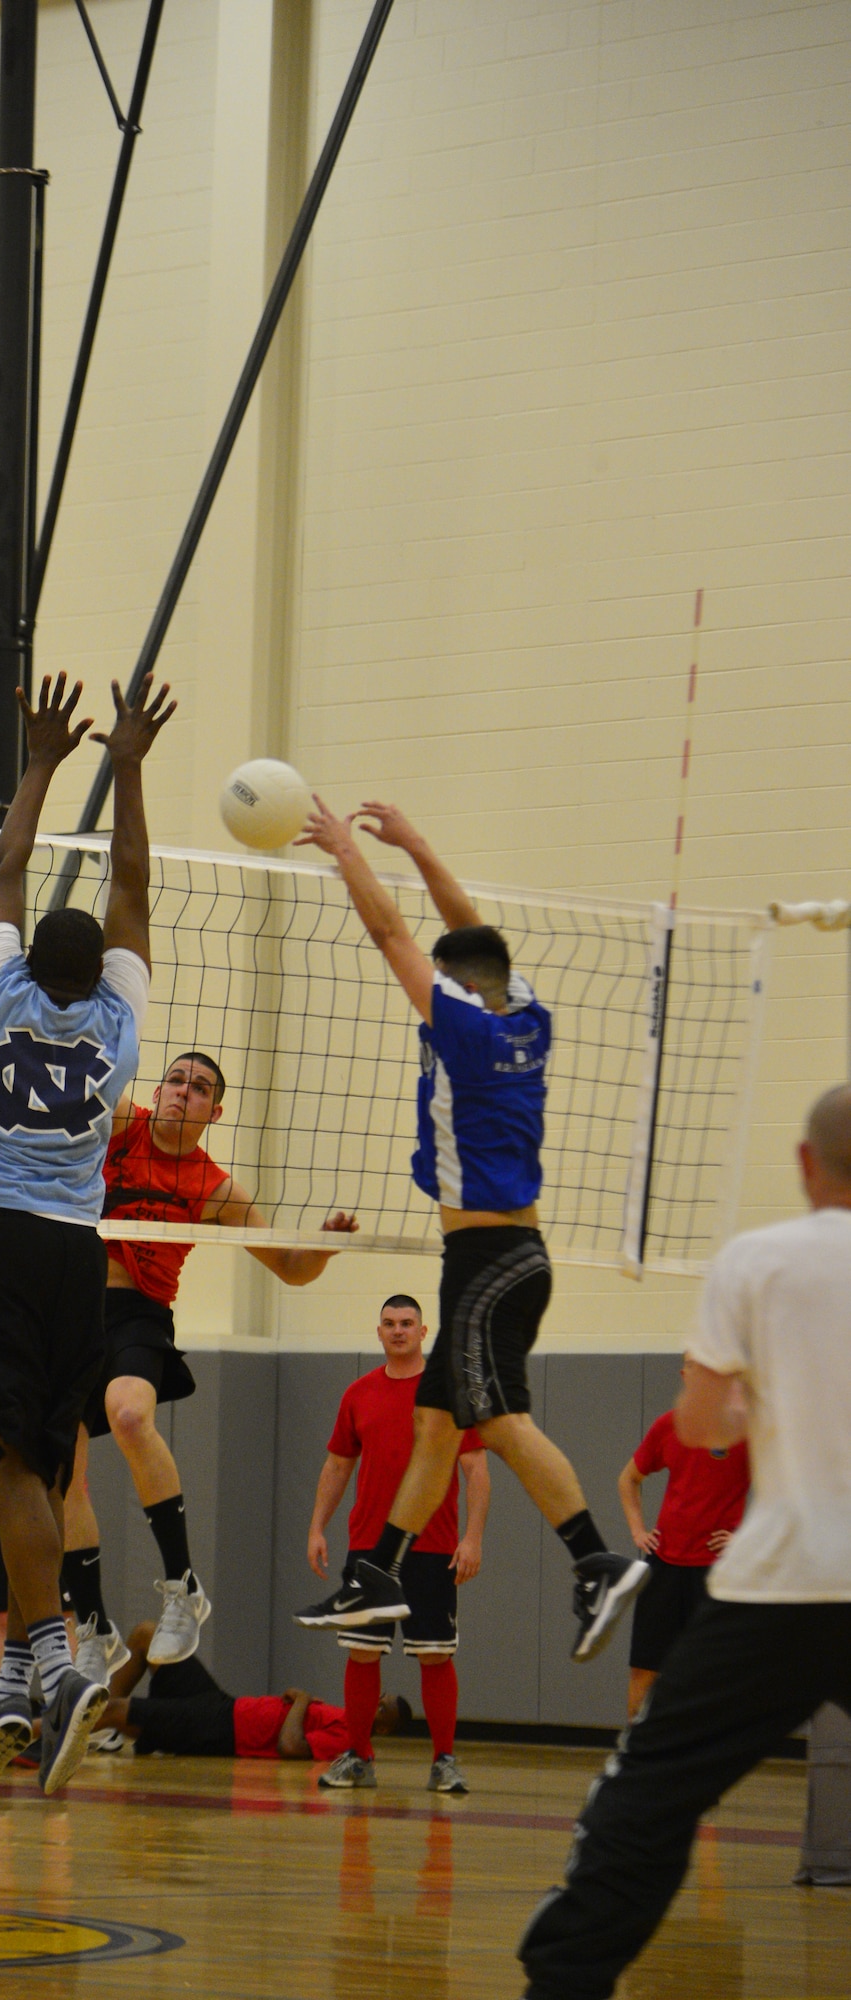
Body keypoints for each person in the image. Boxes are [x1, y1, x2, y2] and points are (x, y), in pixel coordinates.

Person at [518, 1084, 851, 2000]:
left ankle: (561, 1984)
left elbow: (701, 1425)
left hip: (776, 1590)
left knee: (648, 1796)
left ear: (802, 1163)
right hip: (779, 1582)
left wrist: (757, 1399)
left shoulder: (755, 1260)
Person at [296, 798, 645, 1661]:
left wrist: (349, 854)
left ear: (459, 986)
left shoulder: (460, 1027)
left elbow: (391, 936)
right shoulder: (523, 1016)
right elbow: (472, 935)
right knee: (436, 1426)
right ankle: (375, 1573)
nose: (438, 980)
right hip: (507, 1256)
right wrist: (417, 842)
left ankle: (595, 1559)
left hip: (488, 1262)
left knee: (496, 1422)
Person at [0, 671, 173, 1799]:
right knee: (43, 1463)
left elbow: (3, 870)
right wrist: (128, 763)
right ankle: (31, 1674)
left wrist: (40, 760)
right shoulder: (120, 1028)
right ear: (97, 977)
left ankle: (55, 1665)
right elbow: (130, 883)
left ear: (27, 963)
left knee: (7, 1469)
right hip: (79, 1254)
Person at [61, 1050, 357, 1681]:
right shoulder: (122, 1127)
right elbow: (85, 1084)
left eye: (197, 1089)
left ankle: (183, 1586)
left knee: (132, 1413)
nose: (181, 1093)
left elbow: (293, 1269)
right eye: (174, 1081)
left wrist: (326, 1247)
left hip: (140, 1314)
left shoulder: (216, 1189)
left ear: (213, 1112)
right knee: (64, 1474)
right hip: (73, 1312)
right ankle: (91, 1625)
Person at [297, 1293, 490, 1793]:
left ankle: (444, 1761)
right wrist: (318, 1526)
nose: (398, 1330)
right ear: (378, 1332)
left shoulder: (448, 1394)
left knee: (435, 1655)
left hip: (434, 1545)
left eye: (407, 1323)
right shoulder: (358, 1394)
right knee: (362, 1653)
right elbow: (338, 1465)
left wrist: (472, 1537)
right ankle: (358, 1758)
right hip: (369, 1547)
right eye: (389, 1323)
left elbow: (476, 1470)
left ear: (424, 1332)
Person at [99, 1619, 413, 1764]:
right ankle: (105, 1736)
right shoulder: (345, 1715)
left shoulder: (350, 1740)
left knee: (116, 1711)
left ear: (382, 1728)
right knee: (147, 1634)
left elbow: (290, 1747)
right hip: (222, 1704)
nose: (374, 1701)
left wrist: (302, 1701)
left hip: (218, 1730)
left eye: (381, 1708)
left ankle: (51, 1730)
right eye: (380, 1696)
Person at [617, 1400, 749, 1718]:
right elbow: (628, 1479)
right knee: (645, 1670)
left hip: (715, 1571)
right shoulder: (668, 1425)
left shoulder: (748, 1431)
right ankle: (634, 1756)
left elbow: (784, 1494)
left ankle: (708, 1760)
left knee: (713, 1676)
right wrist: (638, 1531)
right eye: (691, 1365)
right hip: (664, 1568)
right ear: (684, 1372)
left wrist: (746, 1540)